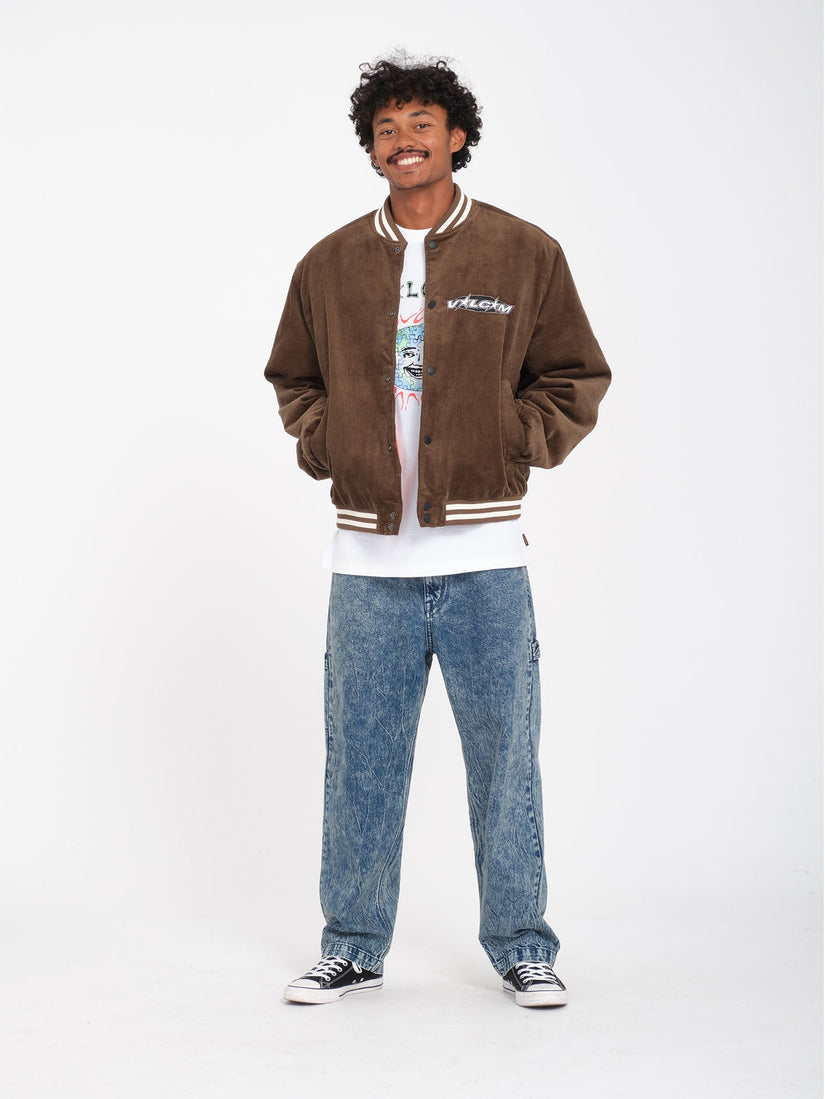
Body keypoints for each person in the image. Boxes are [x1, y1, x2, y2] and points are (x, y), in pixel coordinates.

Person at [263, 56, 611, 1008]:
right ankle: (352, 944)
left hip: (484, 559)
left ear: (456, 136)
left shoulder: (521, 251)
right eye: (385, 128)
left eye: (421, 122)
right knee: (361, 765)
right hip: (365, 562)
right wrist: (326, 440)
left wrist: (515, 440)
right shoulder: (329, 263)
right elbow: (294, 379)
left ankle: (522, 945)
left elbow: (573, 374)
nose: (403, 140)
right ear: (371, 149)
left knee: (505, 765)